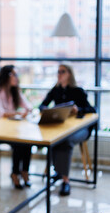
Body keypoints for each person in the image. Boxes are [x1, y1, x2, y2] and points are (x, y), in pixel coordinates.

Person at [39, 64, 96, 196]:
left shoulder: (78, 91)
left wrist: (79, 110)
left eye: (62, 72)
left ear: (69, 74)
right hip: (62, 127)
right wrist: (46, 110)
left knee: (65, 141)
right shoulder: (55, 90)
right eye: (58, 72)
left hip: (81, 129)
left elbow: (92, 110)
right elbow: (42, 105)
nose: (59, 74)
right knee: (53, 138)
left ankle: (65, 180)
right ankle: (58, 171)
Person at [0, 65, 32, 189]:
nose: (17, 78)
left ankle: (24, 171)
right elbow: (0, 114)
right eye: (14, 74)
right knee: (18, 142)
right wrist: (18, 113)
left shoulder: (15, 91)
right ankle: (15, 173)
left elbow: (28, 106)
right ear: (7, 76)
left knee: (27, 141)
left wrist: (26, 111)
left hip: (9, 128)